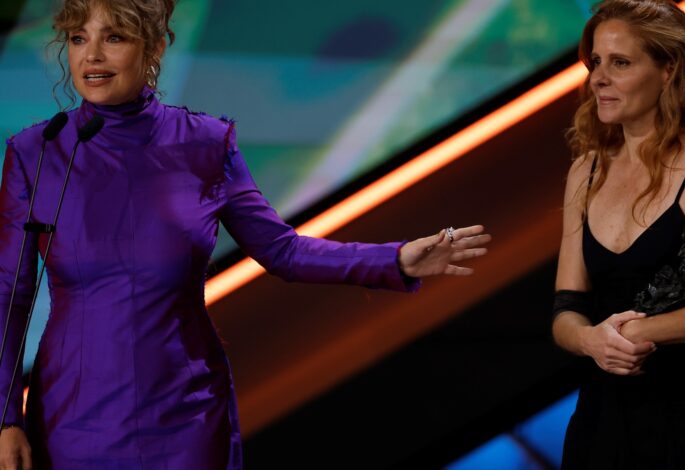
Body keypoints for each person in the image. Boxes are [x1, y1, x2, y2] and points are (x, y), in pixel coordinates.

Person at [0, 0, 491, 468]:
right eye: (78, 38)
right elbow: (8, 297)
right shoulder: (34, 154)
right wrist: (5, 418)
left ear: (155, 46)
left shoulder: (206, 144)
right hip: (73, 420)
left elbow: (283, 251)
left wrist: (395, 259)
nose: (91, 55)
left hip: (186, 415)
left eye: (114, 37)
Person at [551, 0, 685, 468]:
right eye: (596, 62)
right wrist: (591, 341)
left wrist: (638, 332)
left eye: (620, 63)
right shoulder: (584, 171)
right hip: (602, 421)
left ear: (668, 70)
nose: (598, 78)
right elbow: (566, 309)